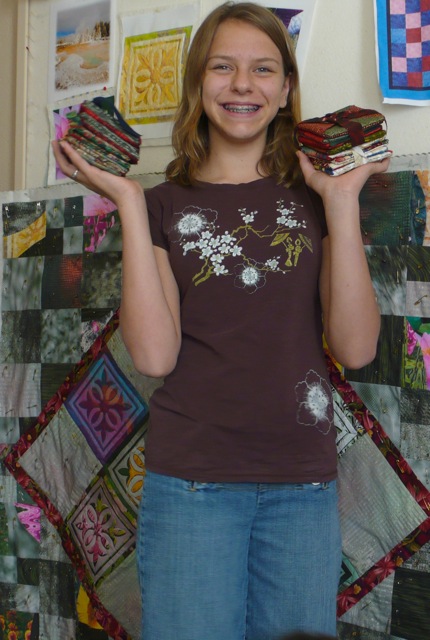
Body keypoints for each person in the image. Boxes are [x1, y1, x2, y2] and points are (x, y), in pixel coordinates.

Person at [53, 3, 389, 639]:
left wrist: (340, 203)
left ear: (286, 89)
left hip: (303, 486)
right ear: (197, 83)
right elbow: (153, 357)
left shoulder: (318, 198)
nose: (243, 85)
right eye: (223, 67)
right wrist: (127, 199)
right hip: (191, 487)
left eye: (264, 70)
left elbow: (356, 346)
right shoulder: (161, 205)